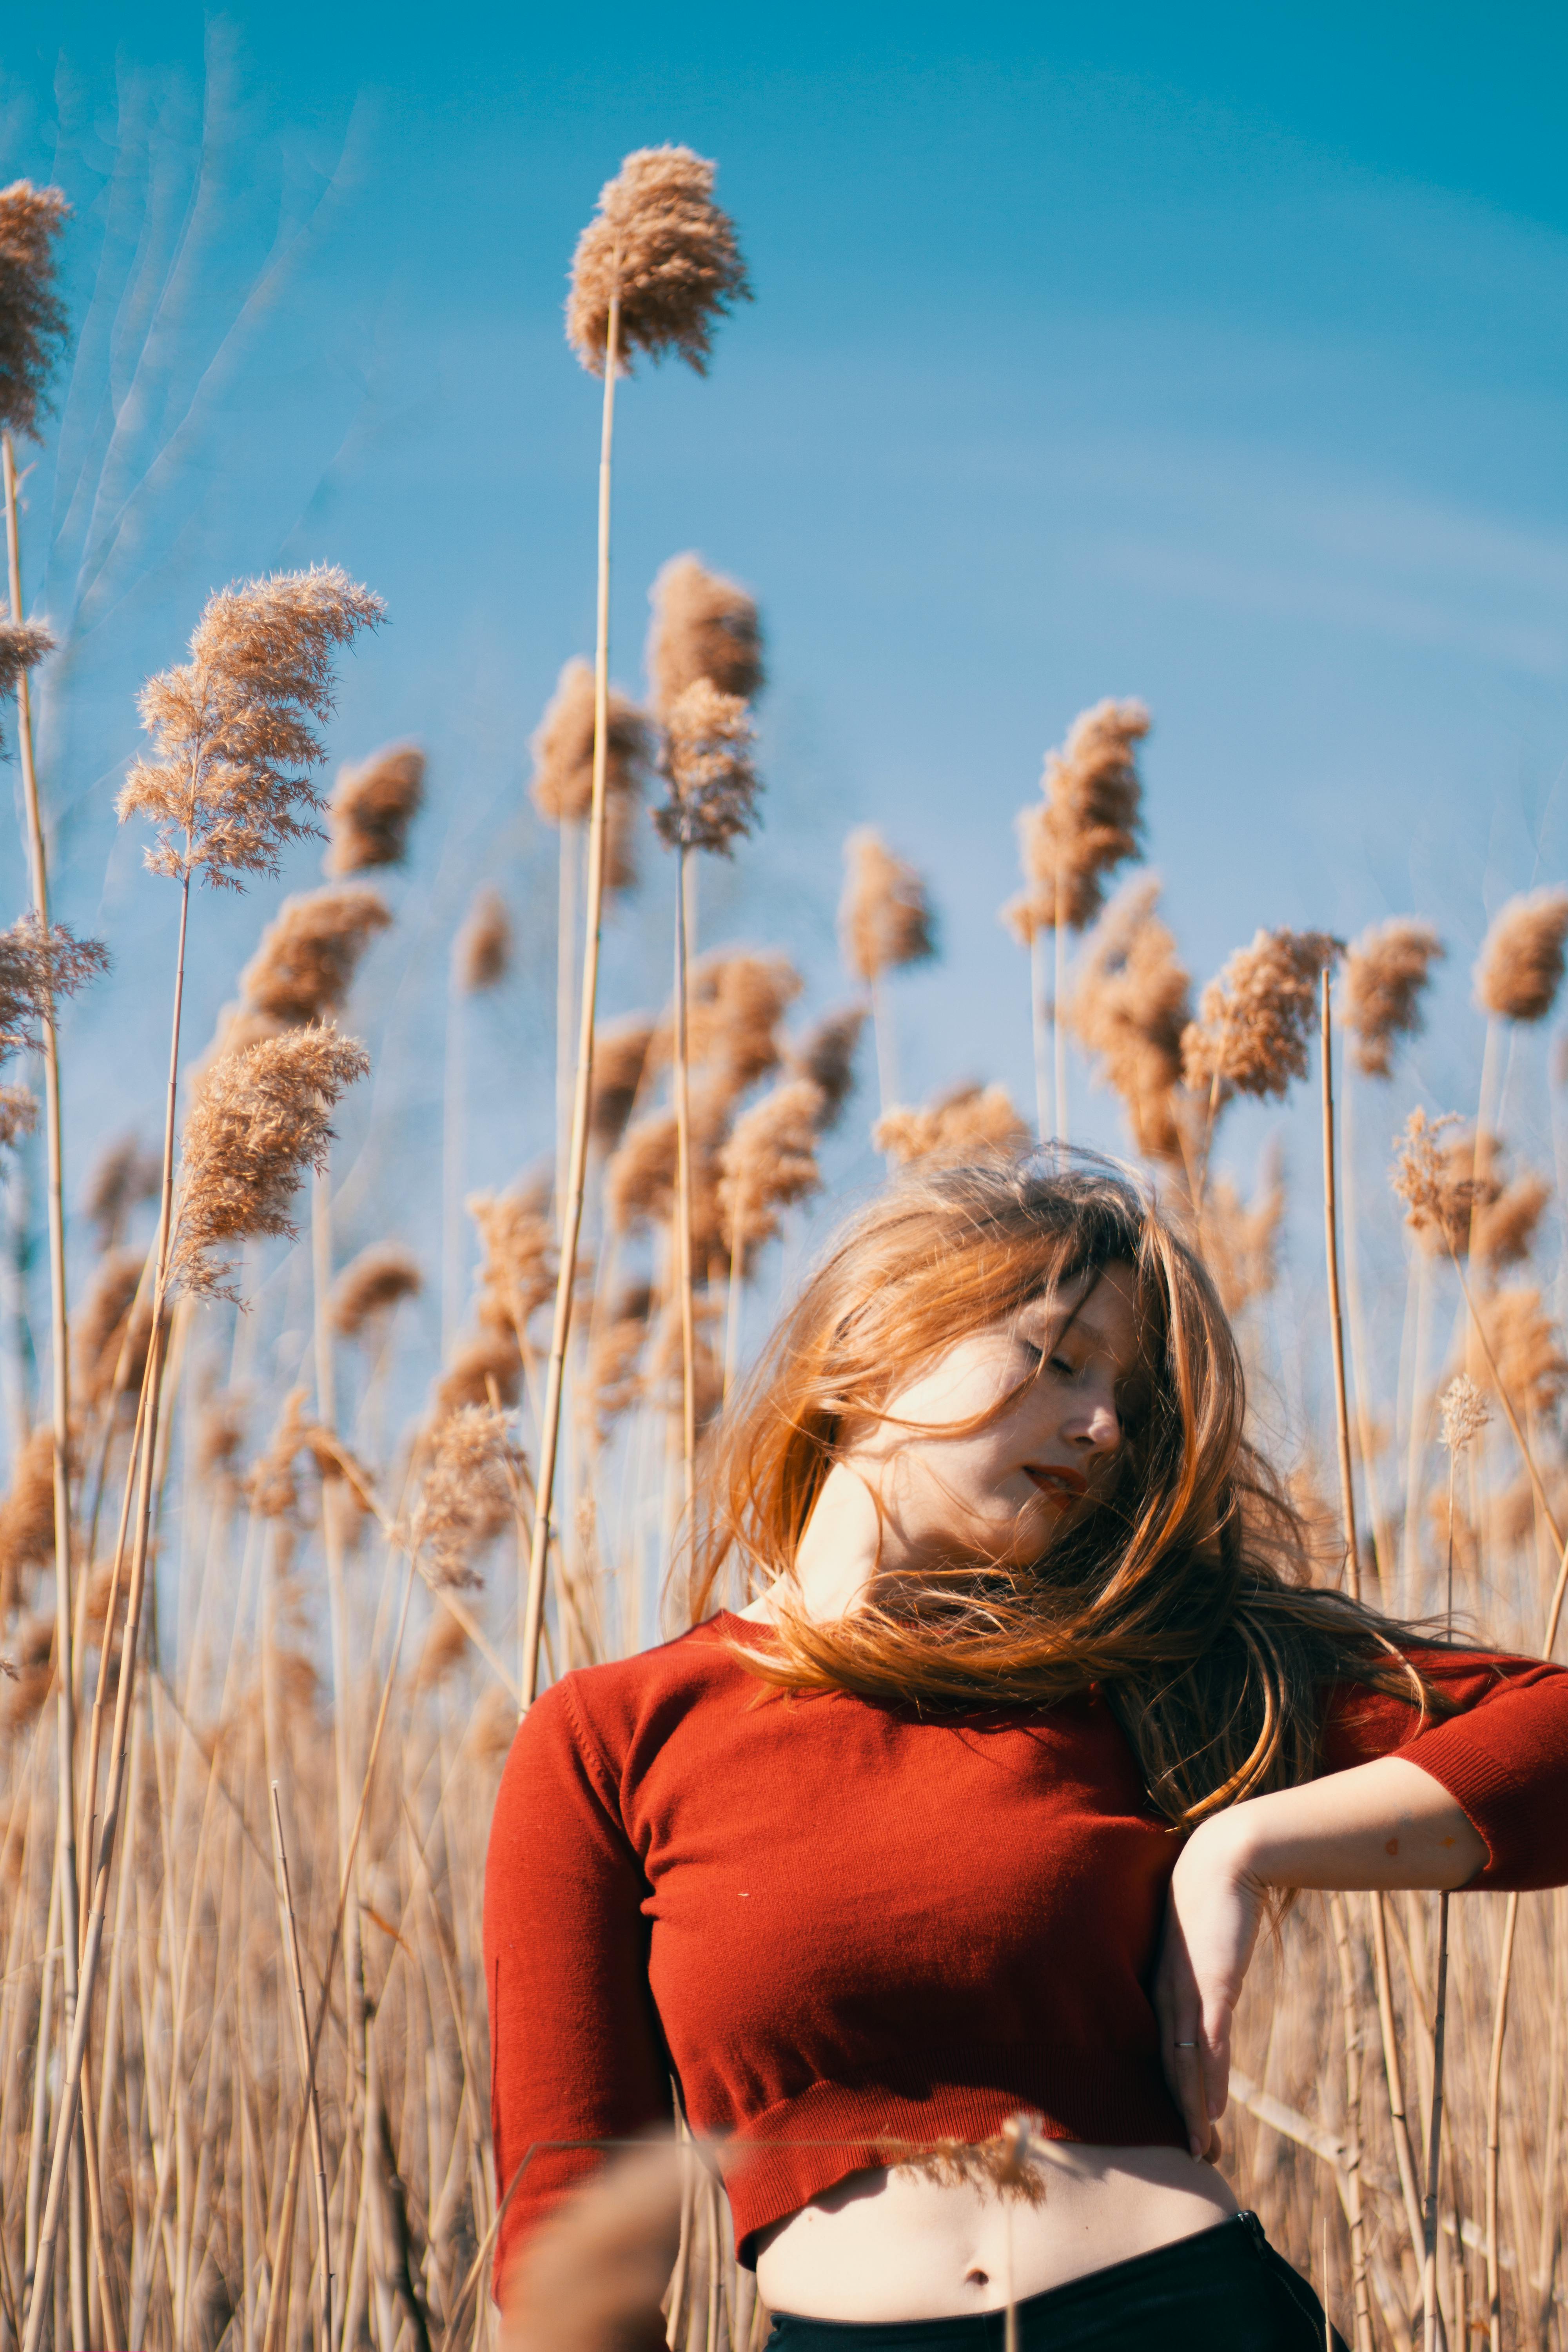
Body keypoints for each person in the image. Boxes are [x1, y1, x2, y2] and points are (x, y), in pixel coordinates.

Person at [485, 1157, 1568, 2349]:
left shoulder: (1155, 1662)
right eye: (1057, 1360)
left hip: (1180, 2319)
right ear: (873, 1347)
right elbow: (568, 2254)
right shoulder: (616, 1733)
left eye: (1123, 1396)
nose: (1102, 1426)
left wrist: (1241, 1847)